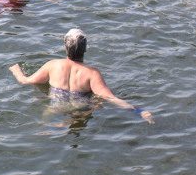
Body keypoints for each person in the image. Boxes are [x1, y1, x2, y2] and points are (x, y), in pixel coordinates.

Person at [9, 28, 154, 123]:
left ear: (65, 46)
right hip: (82, 109)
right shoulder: (92, 73)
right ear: (85, 49)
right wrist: (139, 111)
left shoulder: (52, 65)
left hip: (56, 106)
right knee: (93, 108)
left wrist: (15, 69)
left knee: (43, 125)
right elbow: (110, 98)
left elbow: (25, 81)